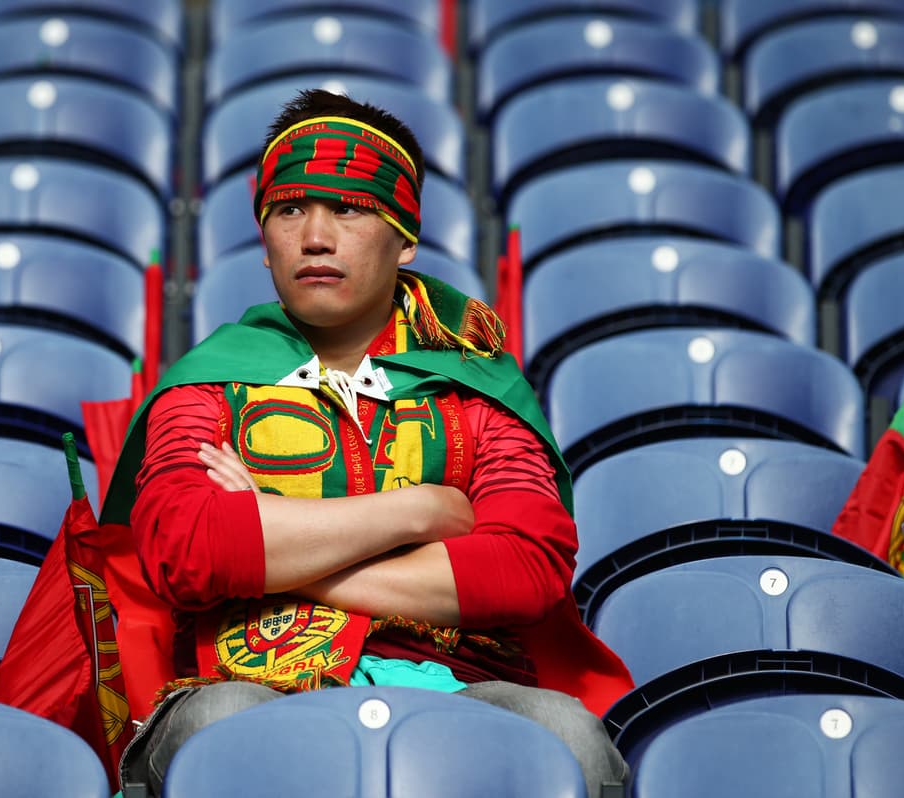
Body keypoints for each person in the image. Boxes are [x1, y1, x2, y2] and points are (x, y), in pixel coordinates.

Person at [110, 89, 634, 796]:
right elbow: (187, 550)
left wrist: (268, 543)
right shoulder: (209, 383)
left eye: (348, 209)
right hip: (240, 678)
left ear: (405, 234)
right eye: (289, 210)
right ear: (264, 241)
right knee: (226, 721)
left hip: (460, 683)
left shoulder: (476, 387)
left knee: (570, 738)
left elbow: (525, 569)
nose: (315, 237)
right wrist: (418, 511)